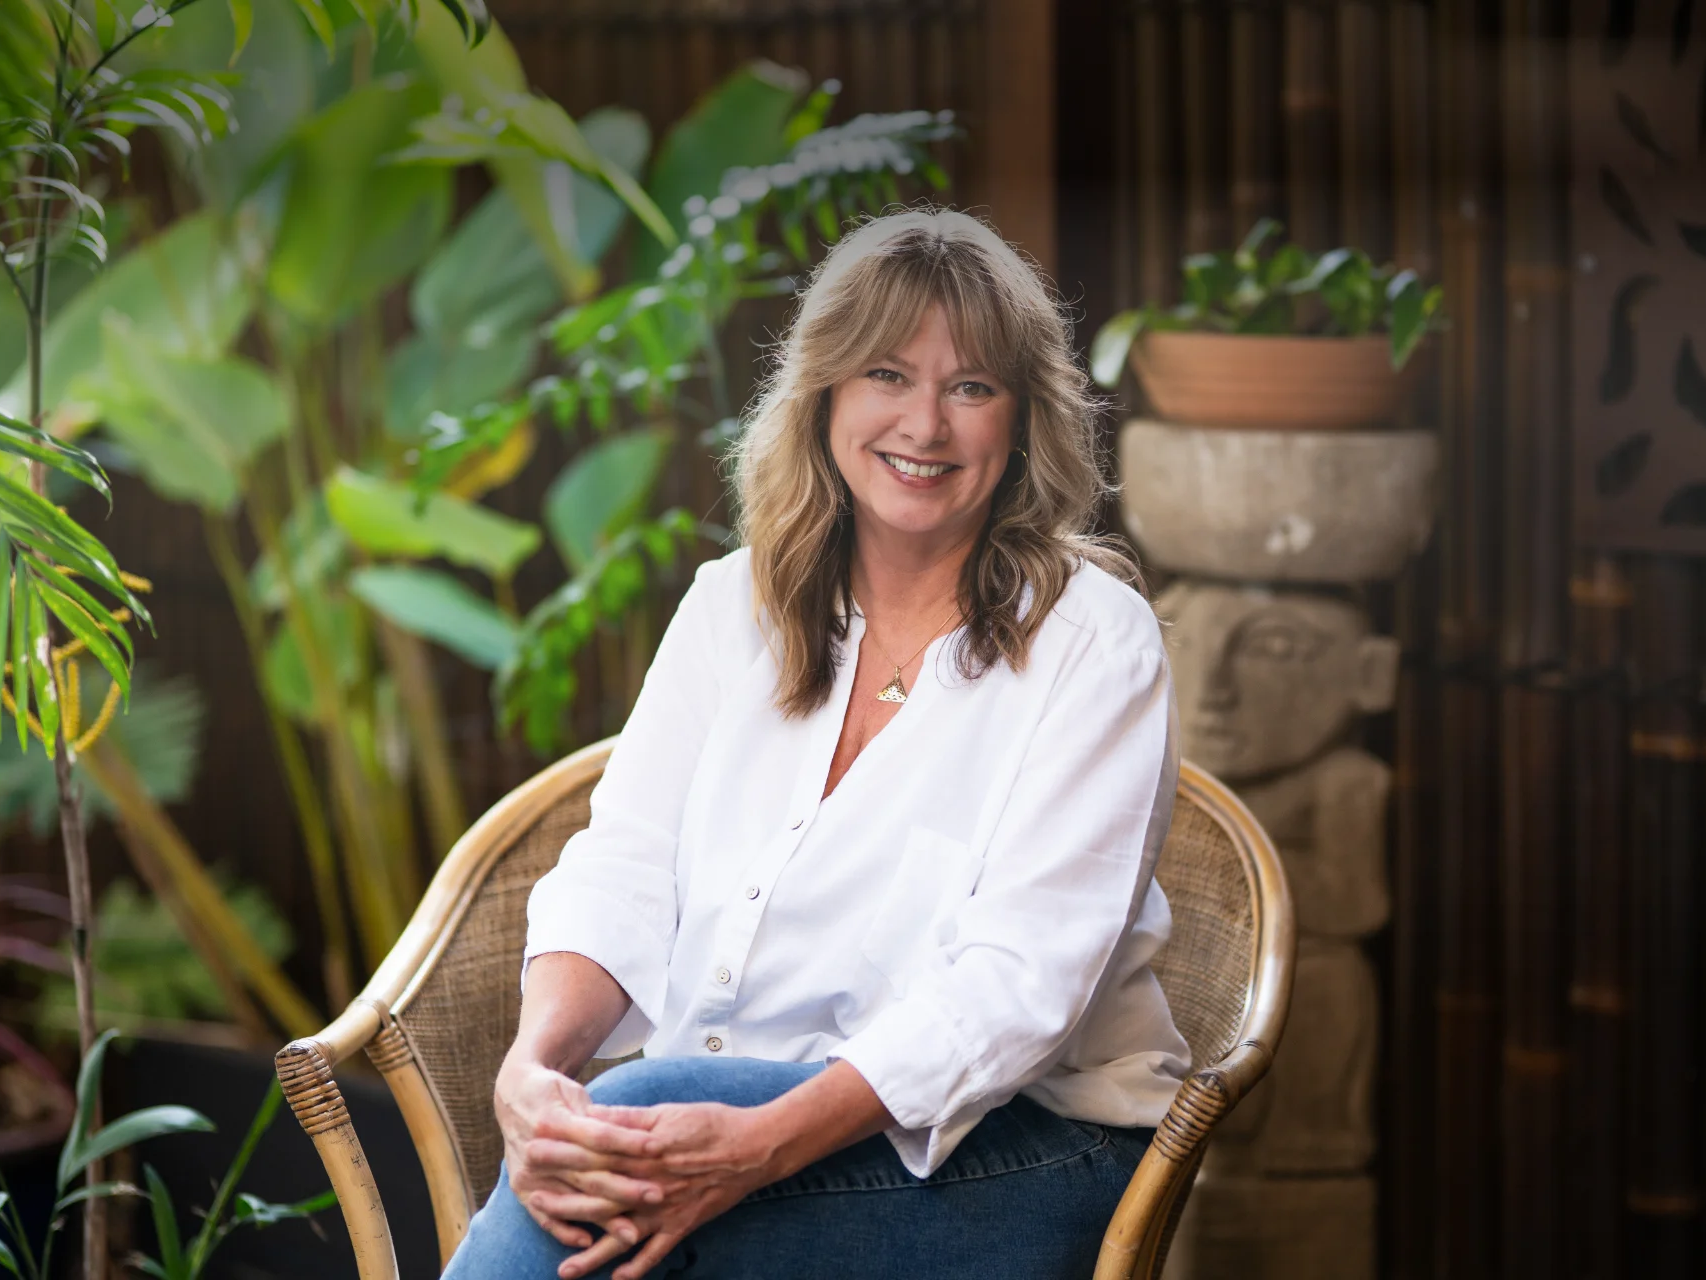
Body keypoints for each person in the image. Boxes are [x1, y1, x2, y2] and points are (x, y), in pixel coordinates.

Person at [445, 208, 1191, 1280]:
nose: (925, 426)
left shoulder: (1092, 644)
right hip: (728, 1105)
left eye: (972, 387)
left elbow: (1016, 988)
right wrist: (534, 1069)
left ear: (1025, 421)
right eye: (887, 374)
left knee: (635, 1134)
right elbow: (624, 867)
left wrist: (753, 1147)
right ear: (825, 392)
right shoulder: (731, 605)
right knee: (621, 1140)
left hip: (1025, 1145)